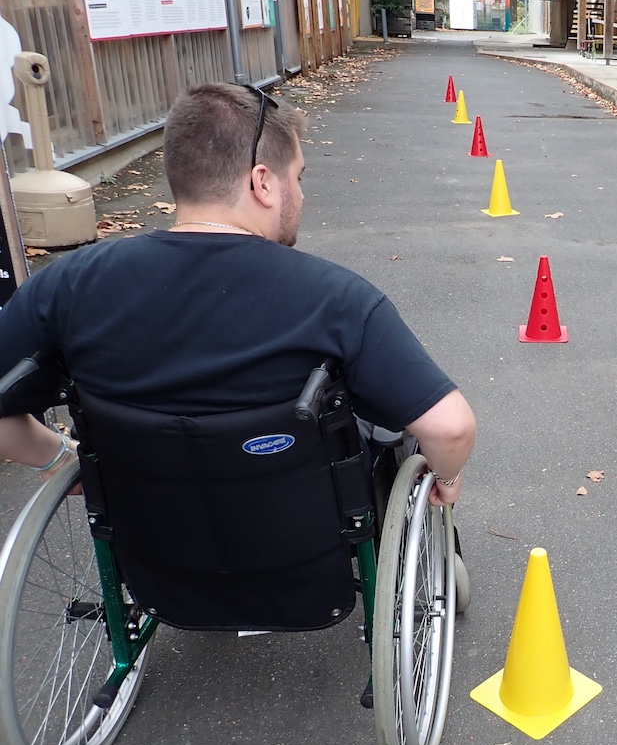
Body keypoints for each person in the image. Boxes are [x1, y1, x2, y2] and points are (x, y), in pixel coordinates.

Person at [0, 83, 475, 507]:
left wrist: (59, 458)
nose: (301, 196)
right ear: (263, 182)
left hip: (147, 553)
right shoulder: (336, 298)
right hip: (306, 552)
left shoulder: (69, 283)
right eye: (298, 178)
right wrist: (447, 478)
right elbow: (450, 428)